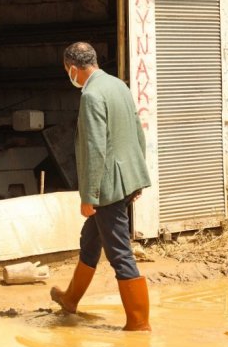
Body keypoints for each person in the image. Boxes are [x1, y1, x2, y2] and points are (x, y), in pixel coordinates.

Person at [50, 42, 152, 331]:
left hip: (107, 186)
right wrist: (136, 177)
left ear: (73, 68)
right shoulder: (118, 85)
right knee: (90, 239)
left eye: (67, 71)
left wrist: (89, 196)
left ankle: (139, 323)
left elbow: (95, 149)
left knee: (120, 253)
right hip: (125, 179)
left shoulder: (91, 95)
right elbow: (137, 132)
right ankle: (70, 299)